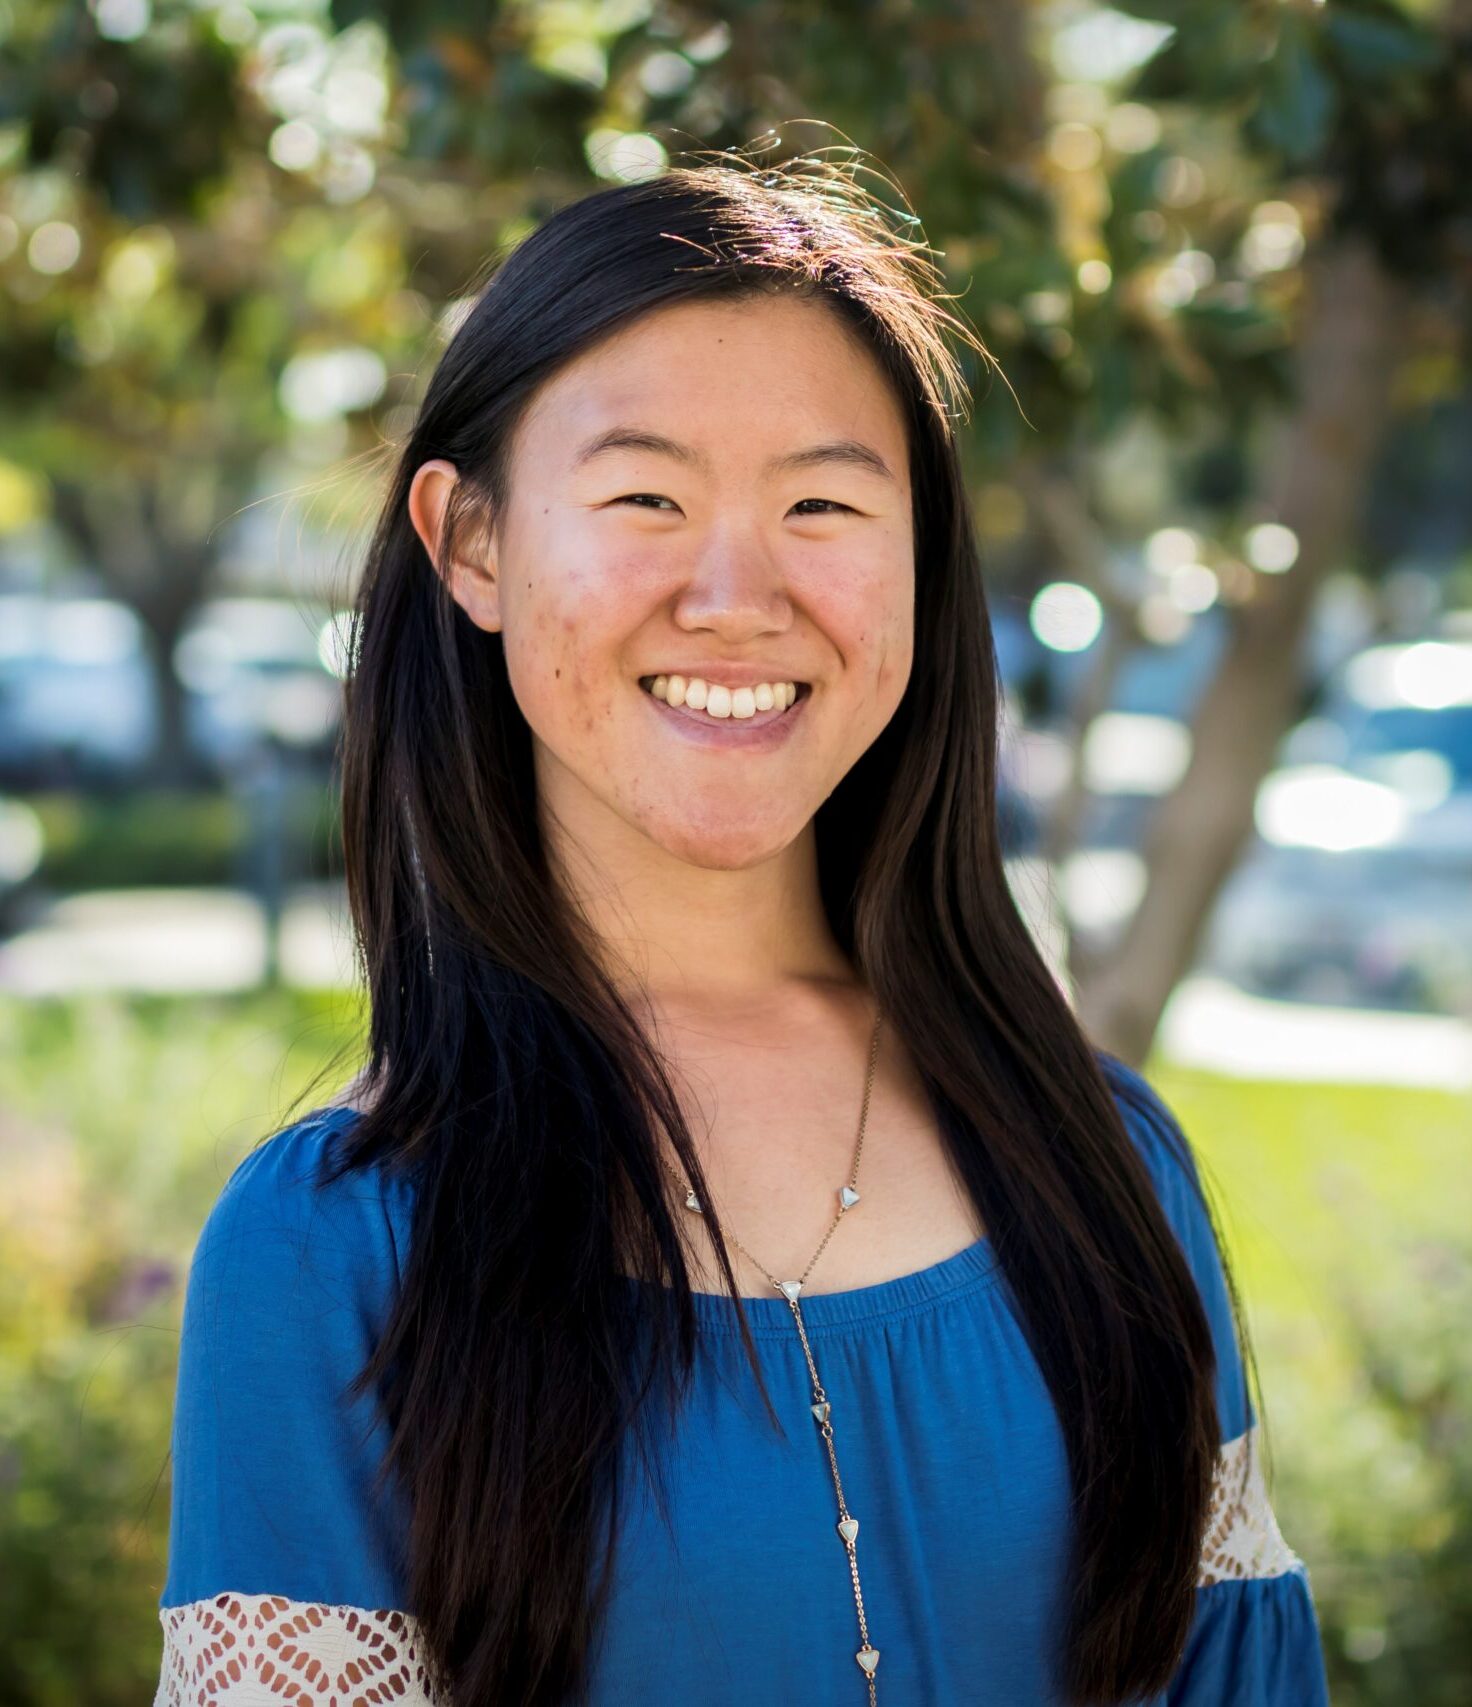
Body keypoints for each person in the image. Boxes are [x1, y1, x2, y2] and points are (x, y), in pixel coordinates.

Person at [154, 149, 1330, 1706]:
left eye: (824, 503)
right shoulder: (332, 1250)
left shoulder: (1105, 1164)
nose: (737, 591)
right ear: (472, 546)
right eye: (647, 495)